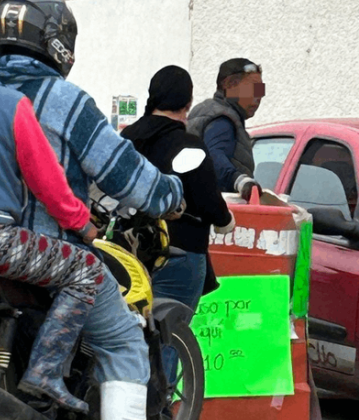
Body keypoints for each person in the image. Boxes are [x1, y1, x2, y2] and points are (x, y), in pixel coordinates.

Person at [0, 1, 184, 418]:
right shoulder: (63, 101)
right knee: (124, 342)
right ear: (58, 44)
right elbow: (123, 174)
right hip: (41, 256)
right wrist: (170, 194)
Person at [0, 6, 104, 413]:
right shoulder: (10, 105)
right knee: (86, 271)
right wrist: (82, 225)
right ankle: (45, 372)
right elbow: (48, 183)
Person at [121, 65, 235, 383]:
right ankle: (159, 409)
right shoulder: (189, 147)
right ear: (187, 104)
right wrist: (226, 220)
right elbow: (211, 202)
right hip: (179, 255)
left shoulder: (126, 140)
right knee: (168, 342)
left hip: (126, 254)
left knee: (125, 339)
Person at [187, 58, 265, 201]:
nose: (259, 96)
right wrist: (240, 181)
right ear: (229, 85)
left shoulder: (204, 111)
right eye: (253, 88)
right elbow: (214, 156)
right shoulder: (222, 120)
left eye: (260, 90)